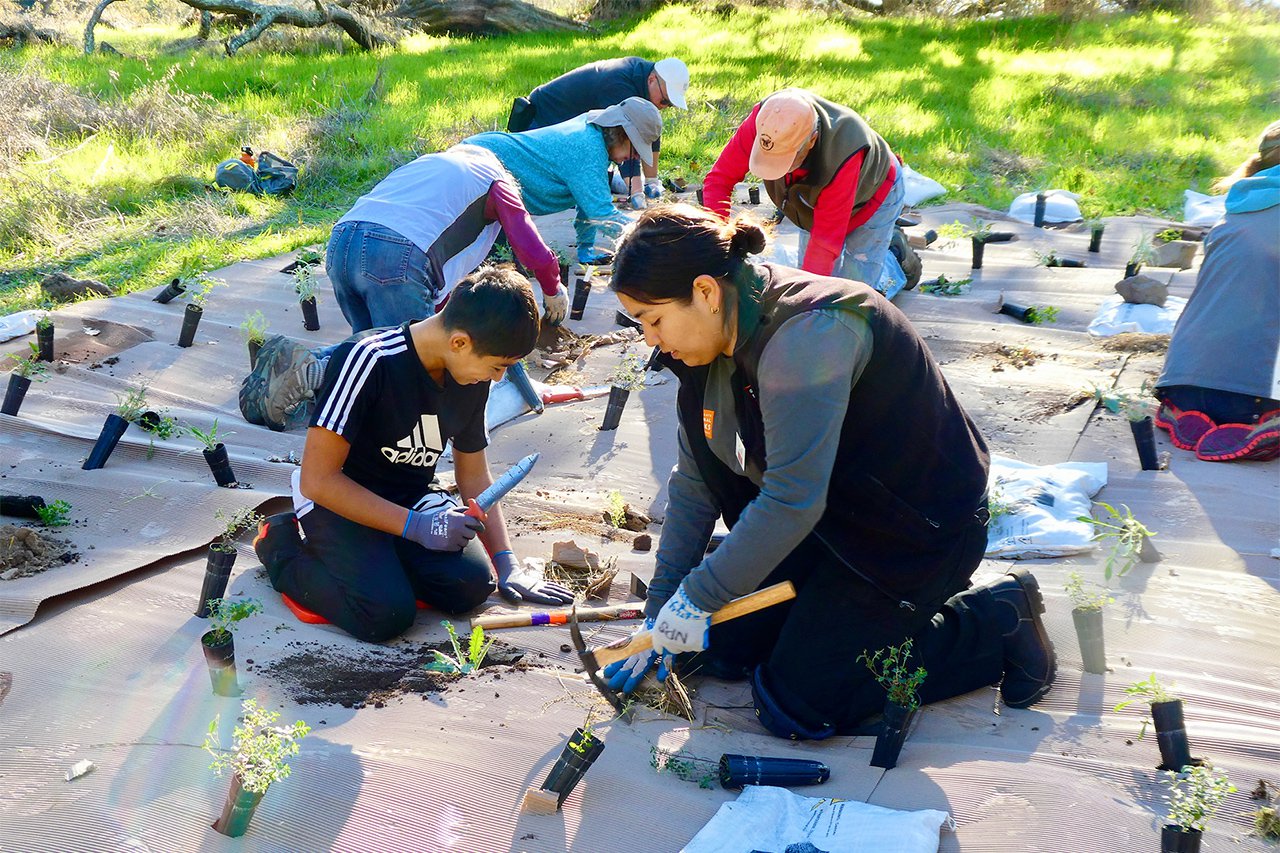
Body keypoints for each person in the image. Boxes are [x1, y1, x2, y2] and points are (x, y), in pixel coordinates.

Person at [600, 205, 1056, 740]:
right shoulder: (707, 344)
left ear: (704, 291)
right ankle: (833, 622)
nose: (651, 339)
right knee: (717, 648)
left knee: (800, 702)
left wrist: (697, 598)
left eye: (654, 320)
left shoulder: (810, 334)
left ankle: (993, 620)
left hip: (911, 532)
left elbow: (792, 499)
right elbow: (696, 483)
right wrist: (661, 613)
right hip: (830, 520)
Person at [252, 269, 574, 644]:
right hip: (339, 501)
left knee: (469, 587)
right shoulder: (369, 361)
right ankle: (280, 543)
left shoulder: (471, 378)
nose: (500, 378)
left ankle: (384, 558)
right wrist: (419, 529)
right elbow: (318, 480)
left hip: (408, 497)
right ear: (459, 343)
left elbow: (473, 475)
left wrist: (507, 562)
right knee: (383, 614)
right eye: (498, 366)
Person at [325, 144, 569, 334]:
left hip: (340, 243)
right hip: (395, 251)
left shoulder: (427, 165)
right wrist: (552, 288)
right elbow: (531, 247)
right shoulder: (492, 178)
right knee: (412, 361)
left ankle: (320, 375)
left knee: (369, 353)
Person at [1155, 120, 1280, 462]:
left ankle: (1178, 412)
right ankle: (1266, 423)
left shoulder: (1240, 205)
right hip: (1257, 394)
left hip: (1181, 380)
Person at [701, 88, 907, 296]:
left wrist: (805, 305)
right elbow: (718, 180)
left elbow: (824, 245)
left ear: (811, 140)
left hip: (875, 194)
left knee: (853, 292)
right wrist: (719, 243)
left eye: (785, 160)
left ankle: (895, 257)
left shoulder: (842, 156)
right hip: (812, 203)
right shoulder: (767, 121)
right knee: (809, 282)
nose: (777, 168)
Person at [466, 97, 662, 264]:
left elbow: (589, 204)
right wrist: (650, 236)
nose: (636, 157)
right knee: (487, 260)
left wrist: (586, 248)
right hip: (478, 165)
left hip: (484, 156)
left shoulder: (596, 133)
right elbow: (602, 214)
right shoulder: (587, 149)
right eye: (635, 148)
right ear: (621, 133)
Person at [507, 57, 689, 203]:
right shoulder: (619, 84)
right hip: (540, 124)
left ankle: (611, 180)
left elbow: (649, 134)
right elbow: (622, 140)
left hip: (573, 132)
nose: (664, 106)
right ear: (651, 80)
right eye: (665, 101)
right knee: (567, 188)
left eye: (670, 105)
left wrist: (652, 181)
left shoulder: (644, 81)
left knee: (596, 176)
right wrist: (638, 195)